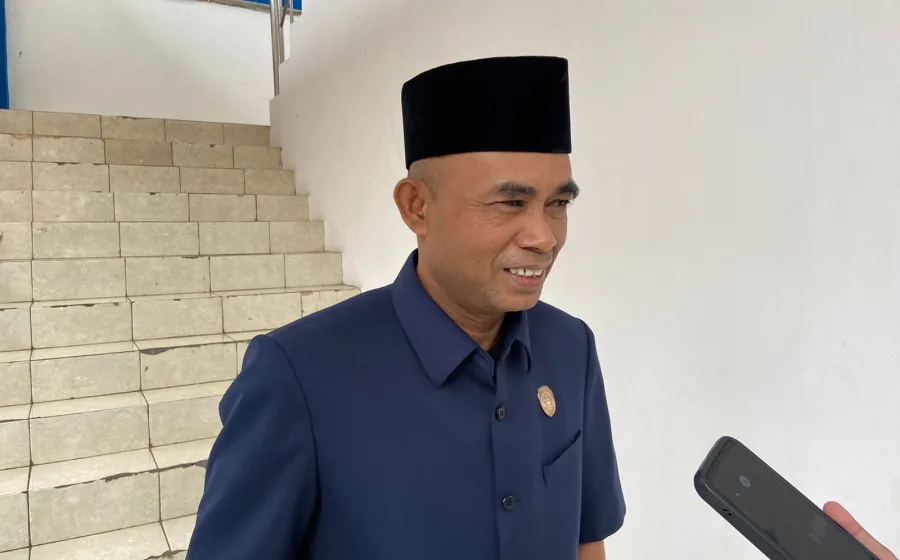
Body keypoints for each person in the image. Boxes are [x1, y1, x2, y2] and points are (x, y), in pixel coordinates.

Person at [185, 56, 896, 560]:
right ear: (416, 207)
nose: (545, 236)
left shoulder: (569, 348)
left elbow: (588, 539)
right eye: (510, 202)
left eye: (558, 203)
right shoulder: (300, 376)